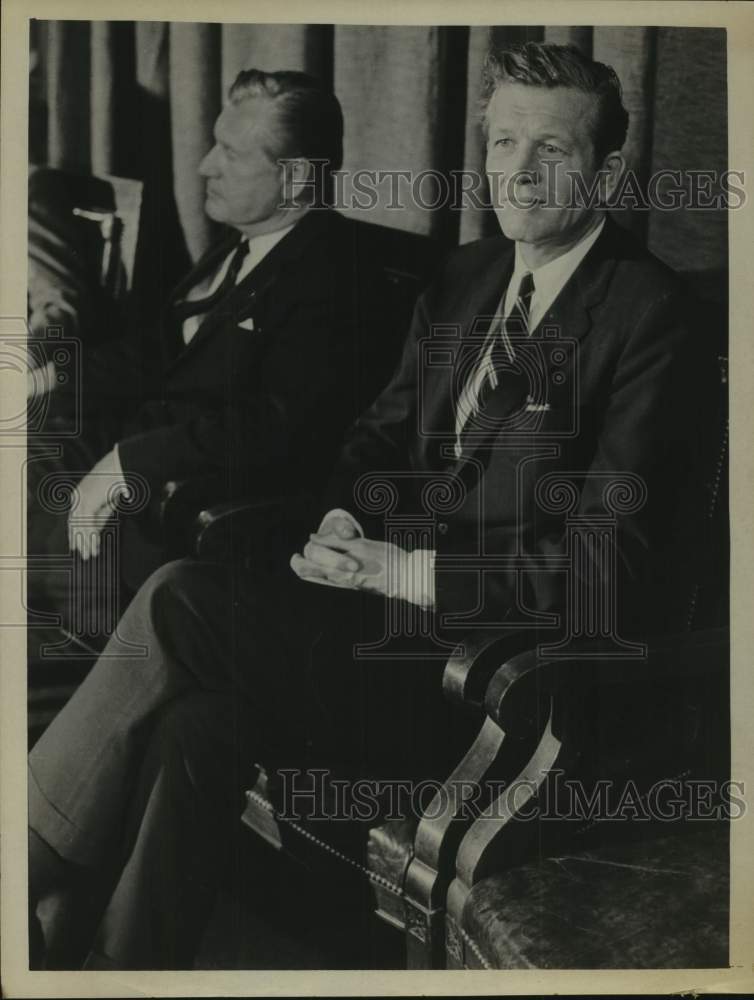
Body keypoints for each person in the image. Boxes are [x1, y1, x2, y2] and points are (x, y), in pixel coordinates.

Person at [27, 42, 716, 969]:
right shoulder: (468, 278)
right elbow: (375, 444)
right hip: (375, 650)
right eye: (502, 141)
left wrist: (406, 570)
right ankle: (106, 969)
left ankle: (21, 866)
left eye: (549, 149)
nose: (515, 172)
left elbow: (608, 572)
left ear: (607, 168)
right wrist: (347, 520)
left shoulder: (649, 316)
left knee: (181, 597)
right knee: (202, 726)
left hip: (508, 698)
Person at [26, 69, 391, 617]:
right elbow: (163, 351)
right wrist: (50, 378)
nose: (205, 166)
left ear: (293, 180)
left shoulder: (337, 276)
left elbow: (283, 425)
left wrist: (127, 461)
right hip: (142, 446)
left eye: (230, 153)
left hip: (191, 498)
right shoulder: (243, 245)